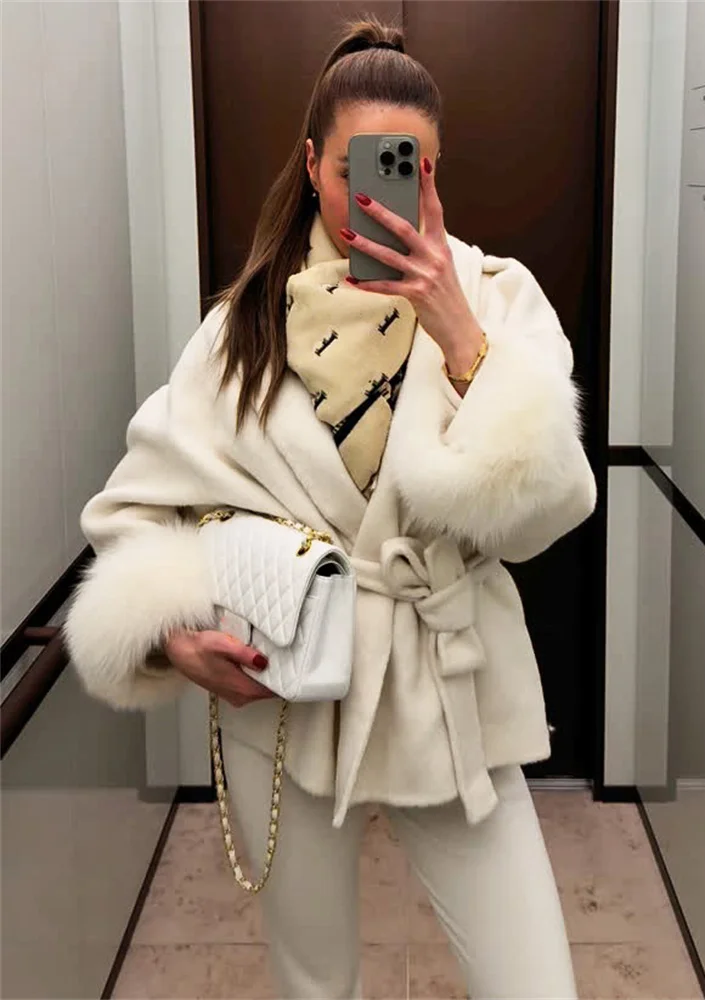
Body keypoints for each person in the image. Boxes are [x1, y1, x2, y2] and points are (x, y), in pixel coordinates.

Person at [65, 18, 596, 1000]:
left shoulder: (495, 300)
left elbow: (545, 517)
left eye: (411, 170)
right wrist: (169, 636)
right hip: (289, 697)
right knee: (314, 985)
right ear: (313, 166)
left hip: (447, 687)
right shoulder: (241, 331)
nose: (384, 198)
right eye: (359, 171)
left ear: (436, 173)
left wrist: (460, 338)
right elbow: (131, 509)